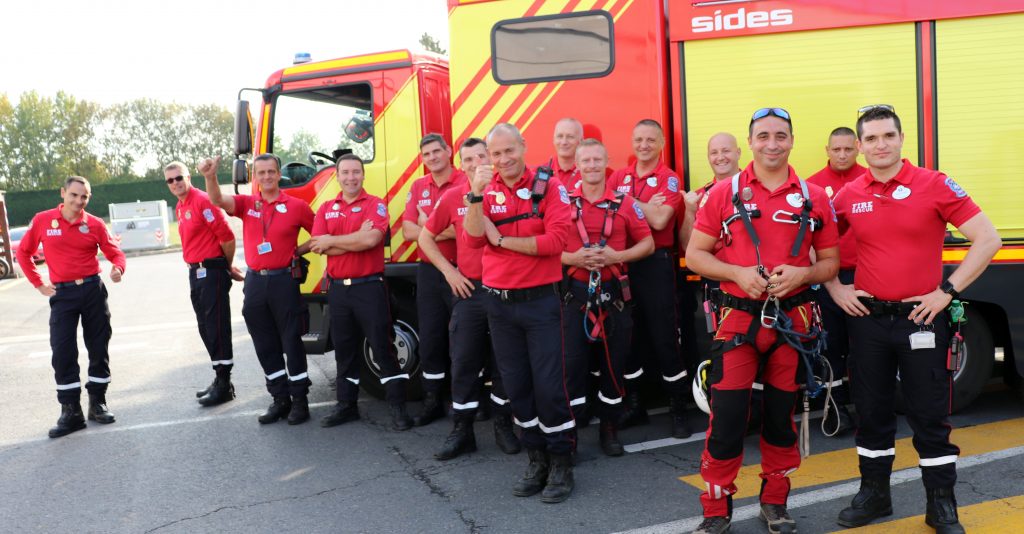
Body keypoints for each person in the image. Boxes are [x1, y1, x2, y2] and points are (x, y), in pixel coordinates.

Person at [831, 106, 999, 533]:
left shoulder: (934, 184)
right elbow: (816, 245)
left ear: (902, 138)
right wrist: (837, 289)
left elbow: (987, 238)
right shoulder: (849, 194)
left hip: (922, 319)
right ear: (861, 146)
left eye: (887, 135)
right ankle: (874, 496)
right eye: (871, 139)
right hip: (868, 321)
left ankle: (941, 504)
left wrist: (946, 292)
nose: (880, 145)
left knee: (929, 416)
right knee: (870, 412)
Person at [686, 107, 839, 534]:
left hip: (793, 322)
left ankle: (775, 503)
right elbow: (695, 255)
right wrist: (736, 273)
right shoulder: (722, 193)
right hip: (736, 320)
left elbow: (830, 263)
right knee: (728, 417)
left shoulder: (815, 196)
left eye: (781, 136)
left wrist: (803, 274)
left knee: (780, 417)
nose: (772, 144)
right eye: (763, 136)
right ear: (749, 142)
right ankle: (716, 509)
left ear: (792, 140)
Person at [464, 123, 576, 503]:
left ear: (524, 147)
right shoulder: (484, 189)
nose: (503, 159)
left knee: (549, 387)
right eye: (495, 154)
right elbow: (474, 237)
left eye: (509, 150)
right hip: (499, 305)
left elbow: (557, 242)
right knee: (517, 388)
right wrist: (475, 197)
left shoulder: (549, 186)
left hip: (540, 304)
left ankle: (561, 461)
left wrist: (505, 240)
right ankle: (536, 458)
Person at [419, 137, 521, 459]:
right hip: (470, 292)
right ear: (460, 166)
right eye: (469, 160)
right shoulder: (452, 197)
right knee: (463, 362)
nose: (476, 164)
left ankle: (503, 425)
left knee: (504, 363)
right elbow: (425, 237)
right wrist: (450, 272)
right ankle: (462, 431)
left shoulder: (509, 193)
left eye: (482, 157)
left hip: (506, 292)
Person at [201, 154, 314, 425]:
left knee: (291, 341)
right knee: (265, 343)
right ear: (256, 177)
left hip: (284, 281)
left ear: (279, 174)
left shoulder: (297, 206)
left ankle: (300, 401)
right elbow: (217, 200)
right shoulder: (247, 204)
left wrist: (295, 252)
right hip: (255, 282)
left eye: (271, 172)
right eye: (261, 172)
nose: (266, 177)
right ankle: (280, 399)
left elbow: (319, 234)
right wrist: (210, 176)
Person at [561, 138, 654, 456]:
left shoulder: (625, 203)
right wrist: (573, 258)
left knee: (613, 369)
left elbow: (648, 244)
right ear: (577, 164)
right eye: (585, 160)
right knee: (571, 370)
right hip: (575, 298)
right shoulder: (563, 204)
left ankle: (609, 430)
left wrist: (617, 255)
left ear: (606, 161)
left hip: (614, 298)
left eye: (596, 160)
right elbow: (546, 245)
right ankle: (569, 438)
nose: (591, 166)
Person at [309, 154, 414, 431]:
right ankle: (346, 406)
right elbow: (319, 246)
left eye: (356, 172)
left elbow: (372, 239)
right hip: (339, 291)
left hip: (369, 287)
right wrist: (349, 240)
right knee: (344, 351)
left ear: (363, 175)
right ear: (337, 176)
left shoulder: (376, 205)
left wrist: (334, 240)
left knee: (383, 347)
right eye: (345, 172)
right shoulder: (326, 208)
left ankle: (398, 408)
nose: (350, 177)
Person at [17, 176, 126, 438]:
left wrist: (118, 268)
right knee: (63, 350)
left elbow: (116, 253)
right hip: (63, 295)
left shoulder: (96, 224)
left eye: (84, 196)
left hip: (92, 290)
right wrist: (39, 284)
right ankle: (71, 411)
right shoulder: (43, 220)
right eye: (74, 195)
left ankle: (97, 403)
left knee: (99, 346)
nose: (79, 201)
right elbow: (24, 252)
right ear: (63, 193)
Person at [607, 119, 691, 438]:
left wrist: (625, 202)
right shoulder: (619, 176)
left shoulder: (668, 179)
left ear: (661, 144)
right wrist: (641, 205)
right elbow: (611, 210)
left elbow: (659, 220)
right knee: (629, 338)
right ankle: (636, 405)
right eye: (638, 139)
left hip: (655, 266)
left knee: (664, 338)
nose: (643, 145)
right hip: (625, 264)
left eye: (650, 140)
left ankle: (678, 408)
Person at [401, 134, 467, 427]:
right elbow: (406, 231)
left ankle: (463, 398)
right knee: (430, 337)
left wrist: (426, 227)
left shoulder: (466, 181)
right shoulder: (418, 186)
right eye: (426, 154)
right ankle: (432, 400)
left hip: (461, 269)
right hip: (429, 271)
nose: (432, 157)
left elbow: (465, 231)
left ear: (448, 152)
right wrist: (439, 228)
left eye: (436, 151)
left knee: (464, 338)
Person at [164, 161, 243, 407]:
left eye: (179, 178)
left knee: (217, 326)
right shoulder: (180, 206)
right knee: (205, 327)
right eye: (170, 180)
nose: (175, 183)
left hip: (211, 271)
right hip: (195, 273)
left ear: (188, 177)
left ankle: (224, 382)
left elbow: (227, 237)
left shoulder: (202, 200)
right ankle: (220, 379)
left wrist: (226, 266)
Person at [807, 127, 867, 436]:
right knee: (830, 345)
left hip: (867, 277)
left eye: (848, 149)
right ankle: (835, 407)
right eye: (836, 149)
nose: (842, 154)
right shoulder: (812, 187)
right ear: (827, 150)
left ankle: (868, 407)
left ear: (857, 148)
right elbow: (807, 240)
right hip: (828, 279)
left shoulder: (870, 180)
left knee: (866, 346)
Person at [551, 117, 584, 185]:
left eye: (570, 137)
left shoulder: (590, 173)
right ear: (554, 140)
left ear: (581, 141)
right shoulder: (539, 173)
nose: (564, 142)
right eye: (560, 136)